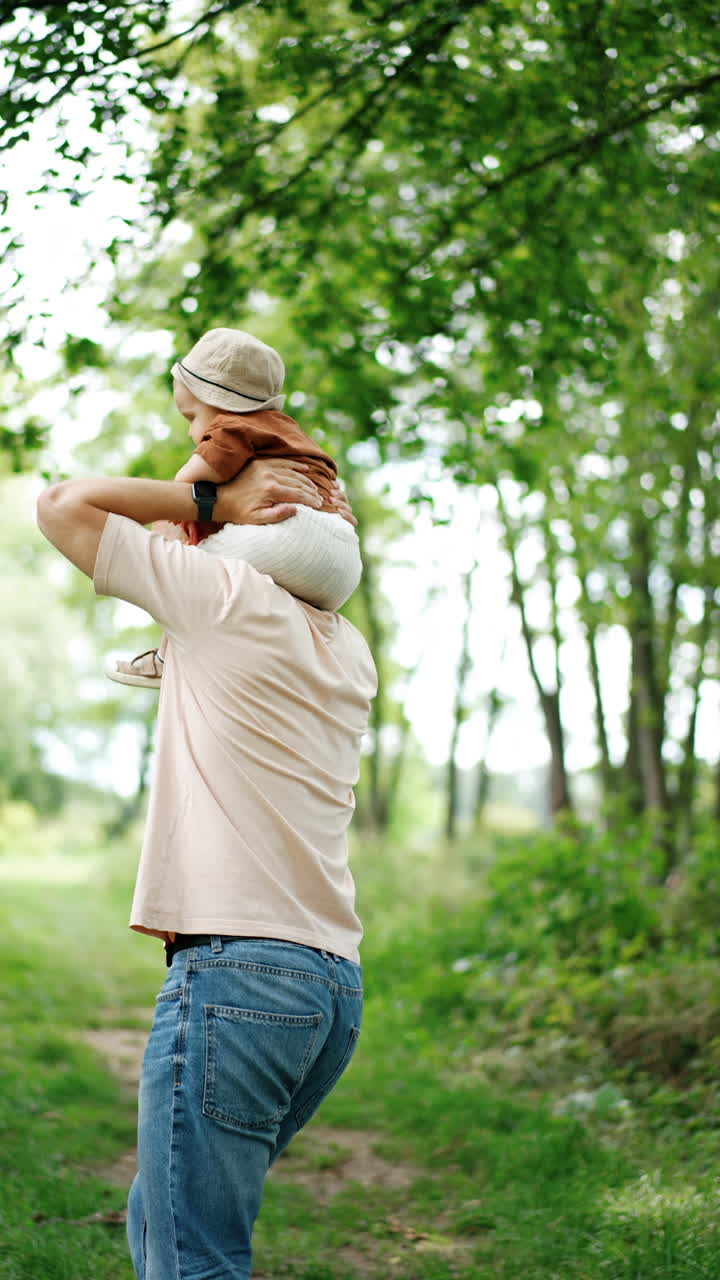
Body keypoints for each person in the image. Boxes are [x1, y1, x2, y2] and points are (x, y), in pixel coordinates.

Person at [36, 430, 377, 1279]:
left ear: (248, 538)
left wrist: (211, 498)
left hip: (238, 981)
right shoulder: (347, 649)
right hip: (329, 991)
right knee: (166, 1228)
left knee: (192, 1258)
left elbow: (65, 505)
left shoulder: (223, 600)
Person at [108, 327, 362, 688]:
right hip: (343, 564)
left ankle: (166, 658)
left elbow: (184, 486)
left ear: (222, 403)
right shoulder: (289, 433)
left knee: (176, 550)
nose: (192, 433)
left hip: (290, 536)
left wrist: (175, 520)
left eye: (191, 417)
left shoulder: (233, 427)